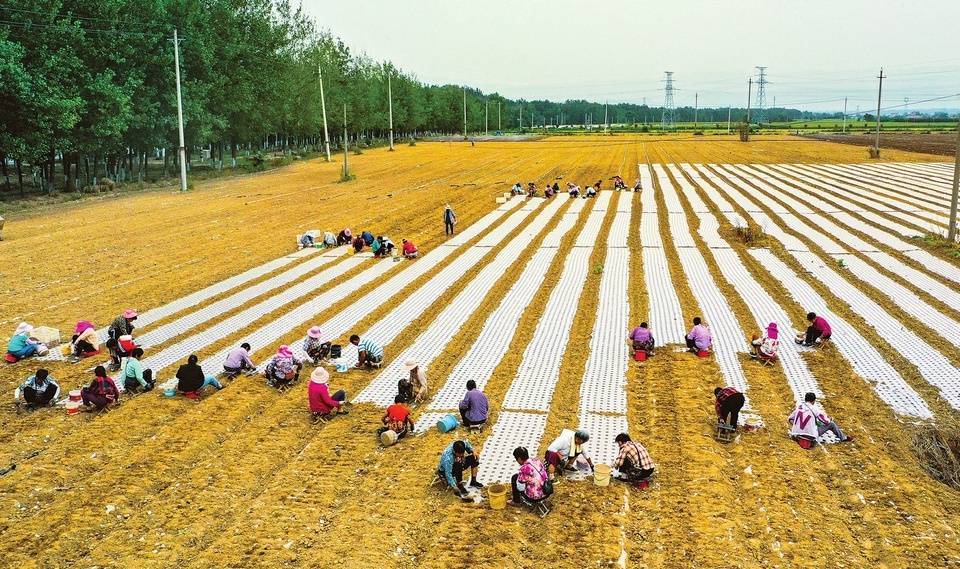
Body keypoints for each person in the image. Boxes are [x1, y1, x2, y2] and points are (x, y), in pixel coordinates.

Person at [789, 392, 854, 443]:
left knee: (815, 422)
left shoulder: (799, 407)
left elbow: (790, 419)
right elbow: (826, 421)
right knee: (831, 424)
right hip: (809, 436)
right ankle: (843, 438)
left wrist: (798, 425)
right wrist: (829, 420)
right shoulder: (815, 409)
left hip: (795, 433)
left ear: (805, 399)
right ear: (814, 401)